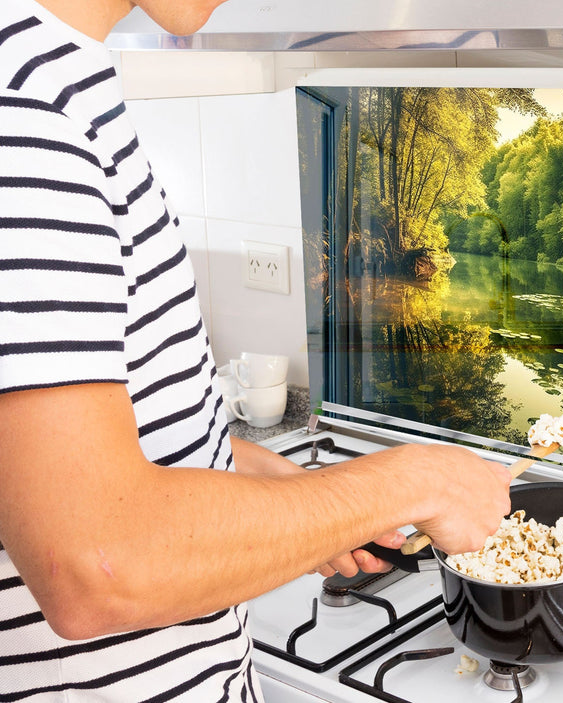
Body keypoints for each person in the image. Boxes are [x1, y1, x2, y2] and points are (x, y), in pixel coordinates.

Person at [0, 0, 513, 699]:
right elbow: (97, 563)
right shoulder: (24, 116)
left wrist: (300, 499)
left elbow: (93, 449)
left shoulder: (56, 80)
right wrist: (416, 479)